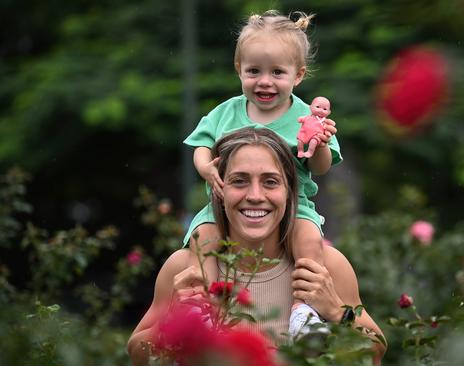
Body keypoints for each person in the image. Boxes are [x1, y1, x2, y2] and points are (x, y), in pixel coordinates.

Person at [127, 128, 385, 365]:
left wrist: (338, 312)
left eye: (270, 182)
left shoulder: (328, 265)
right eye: (239, 181)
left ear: (289, 191)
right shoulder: (185, 267)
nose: (255, 196)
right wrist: (172, 322)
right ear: (219, 188)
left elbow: (374, 353)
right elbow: (137, 354)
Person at [183, 10, 341, 338]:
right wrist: (205, 167)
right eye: (254, 71)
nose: (264, 81)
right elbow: (201, 145)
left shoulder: (306, 116)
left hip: (293, 207)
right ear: (239, 69)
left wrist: (321, 144)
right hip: (226, 205)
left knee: (310, 241)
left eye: (277, 72)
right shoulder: (225, 112)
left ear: (298, 75)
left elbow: (320, 168)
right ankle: (206, 308)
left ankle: (303, 312)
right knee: (202, 239)